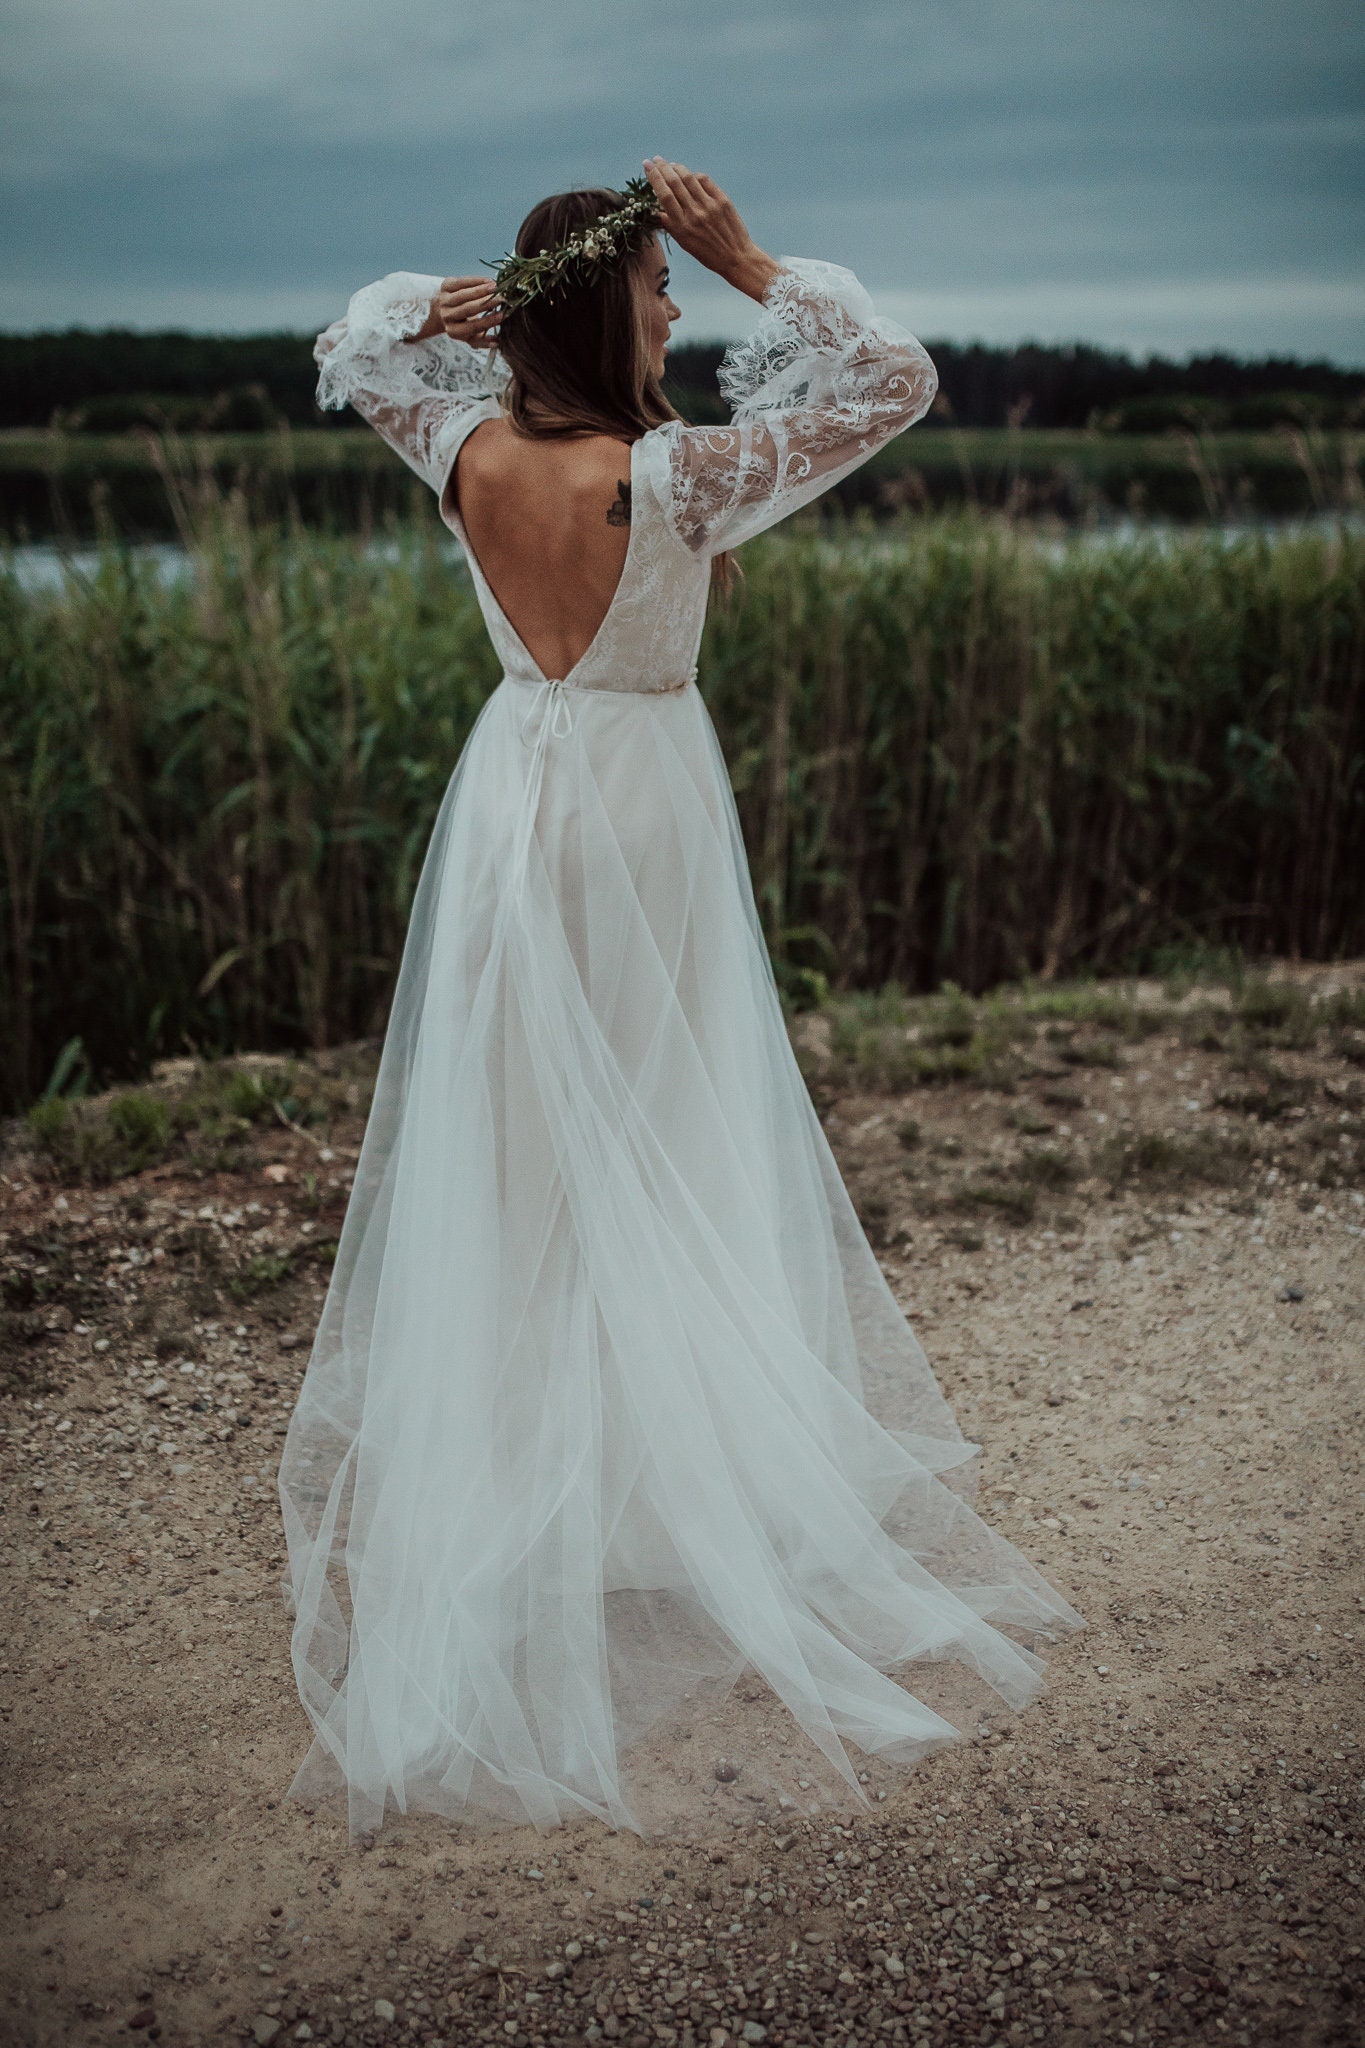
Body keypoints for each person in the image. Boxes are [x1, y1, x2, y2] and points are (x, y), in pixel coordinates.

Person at [278, 158, 1081, 1841]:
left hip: (515, 800)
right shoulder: (680, 479)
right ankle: (652, 1504)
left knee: (522, 1151)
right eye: (649, 286)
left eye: (676, 282)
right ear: (604, 301)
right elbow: (895, 383)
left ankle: (546, 1501)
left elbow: (355, 357)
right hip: (641, 815)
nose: (669, 307)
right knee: (659, 1124)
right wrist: (754, 260)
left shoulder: (472, 456)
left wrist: (447, 311)